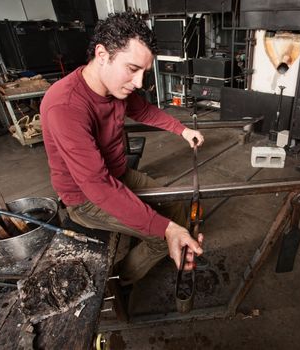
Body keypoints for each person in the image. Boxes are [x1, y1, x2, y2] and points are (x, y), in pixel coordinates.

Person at [40, 12, 204, 288]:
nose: (139, 83)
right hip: (85, 198)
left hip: (118, 174)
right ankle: (118, 281)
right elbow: (98, 187)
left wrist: (182, 130)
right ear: (102, 54)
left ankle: (172, 241)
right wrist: (167, 230)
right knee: (158, 236)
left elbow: (144, 110)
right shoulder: (65, 106)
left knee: (175, 204)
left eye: (144, 72)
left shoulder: (116, 89)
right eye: (132, 69)